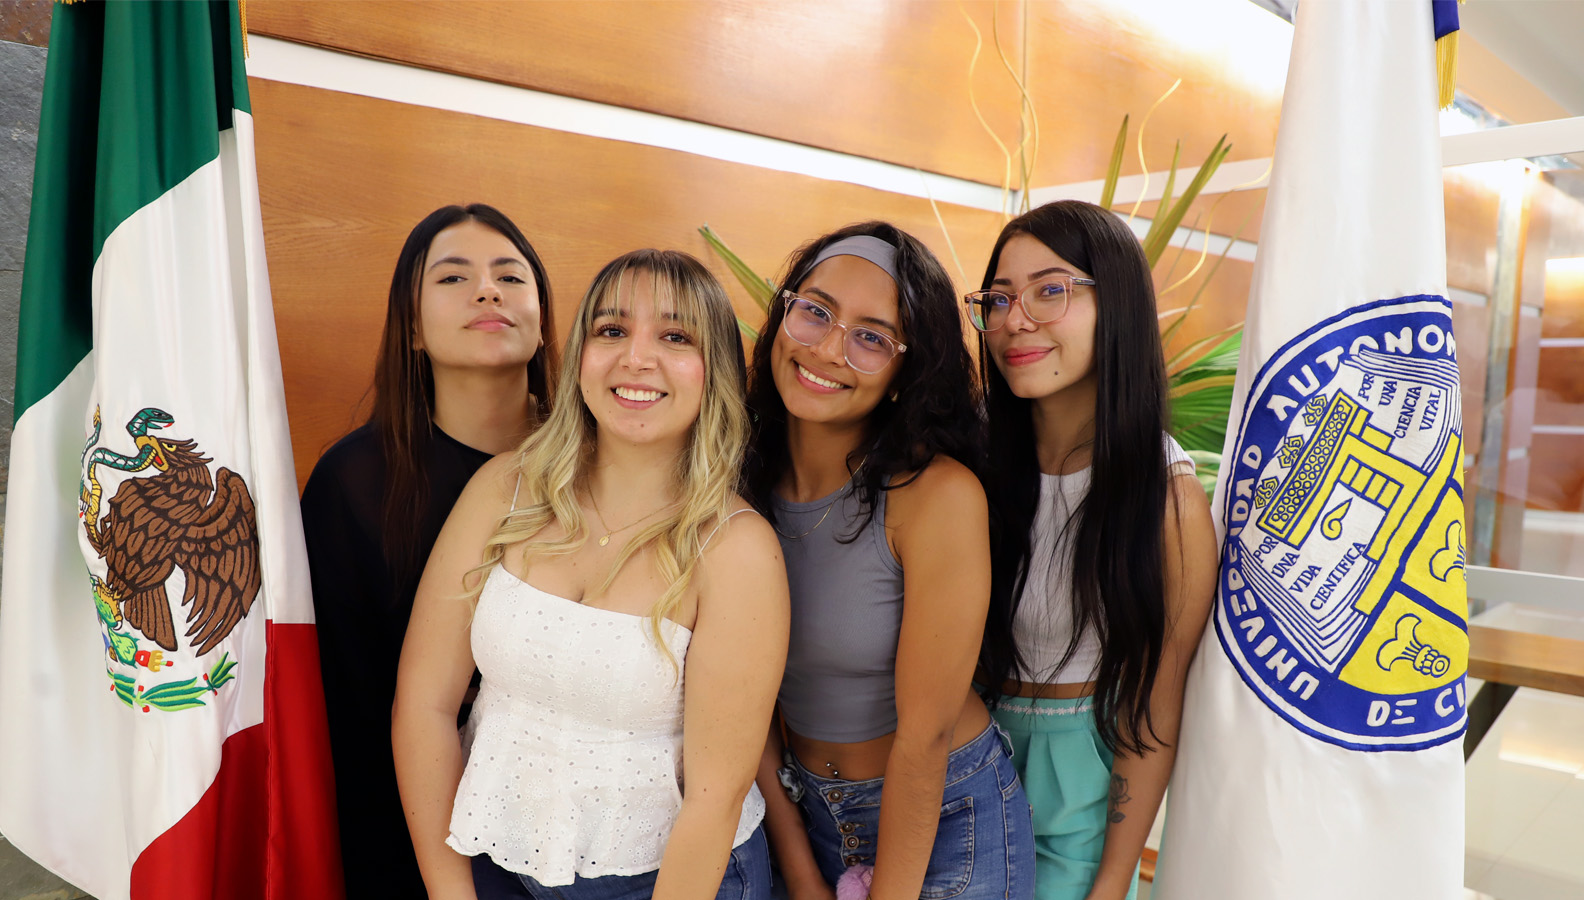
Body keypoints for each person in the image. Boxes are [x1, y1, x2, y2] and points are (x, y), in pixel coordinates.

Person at [393, 249, 789, 900]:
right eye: (612, 330)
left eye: (675, 336)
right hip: (491, 853)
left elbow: (713, 802)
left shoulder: (737, 549)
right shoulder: (503, 488)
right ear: (580, 354)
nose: (637, 357)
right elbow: (423, 704)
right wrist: (451, 892)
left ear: (713, 370)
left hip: (668, 880)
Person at [745, 223, 1033, 900]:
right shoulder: (737, 481)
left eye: (871, 338)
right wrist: (799, 869)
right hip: (806, 813)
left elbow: (925, 738)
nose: (828, 349)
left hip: (948, 817)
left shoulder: (935, 497)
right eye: (815, 311)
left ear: (908, 375)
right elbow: (741, 706)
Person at [301, 203, 552, 900]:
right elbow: (346, 707)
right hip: (412, 834)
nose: (488, 291)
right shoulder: (355, 481)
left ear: (542, 321)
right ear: (411, 328)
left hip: (580, 831)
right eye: (453, 277)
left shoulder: (601, 460)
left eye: (510, 276)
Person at [969, 200, 1218, 900]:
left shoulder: (1165, 500)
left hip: (1080, 789)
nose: (1015, 320)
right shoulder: (967, 465)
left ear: (1119, 307)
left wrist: (1111, 881)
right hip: (959, 762)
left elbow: (1154, 708)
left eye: (1050, 290)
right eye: (999, 298)